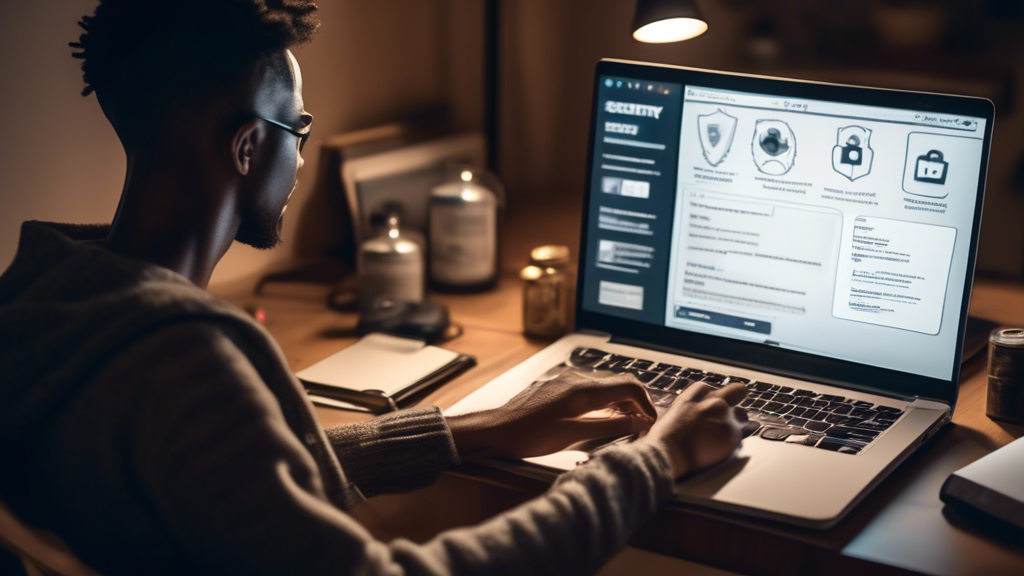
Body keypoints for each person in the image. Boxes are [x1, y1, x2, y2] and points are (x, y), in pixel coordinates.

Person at [0, 1, 748, 574]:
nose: (302, 158)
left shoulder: (46, 298)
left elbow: (242, 484)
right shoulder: (186, 358)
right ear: (248, 146)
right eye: (299, 131)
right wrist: (655, 460)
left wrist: (478, 430)